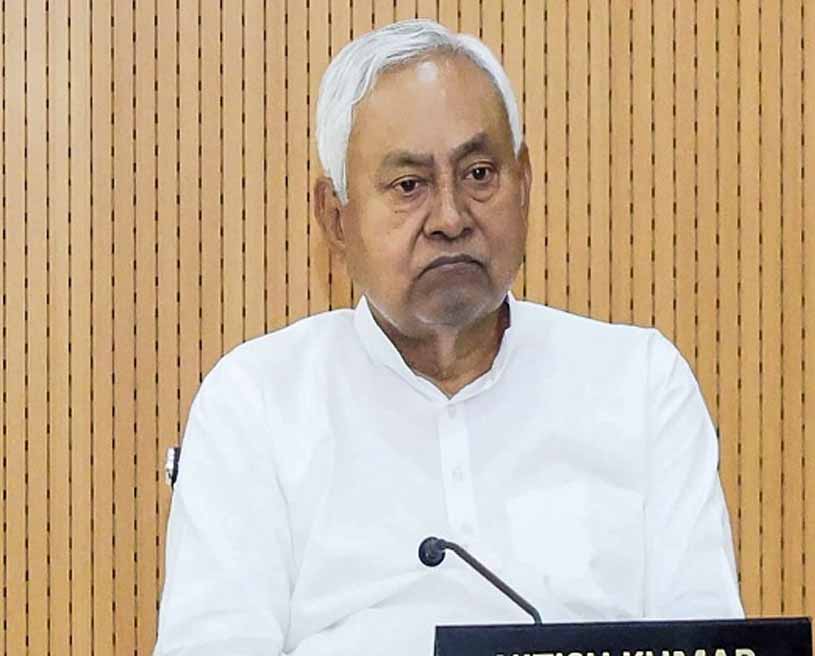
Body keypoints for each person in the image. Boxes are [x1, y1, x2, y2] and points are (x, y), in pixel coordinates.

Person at [153, 18, 743, 656]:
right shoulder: (258, 402)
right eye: (409, 186)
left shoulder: (640, 385)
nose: (451, 217)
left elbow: (709, 639)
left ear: (524, 182)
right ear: (335, 217)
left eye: (479, 174)